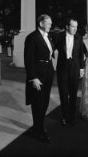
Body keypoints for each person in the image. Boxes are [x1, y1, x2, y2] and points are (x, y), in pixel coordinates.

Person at [24, 14, 54, 143]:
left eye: (50, 24)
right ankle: (39, 131)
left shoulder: (48, 37)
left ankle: (37, 127)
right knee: (38, 103)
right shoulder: (32, 37)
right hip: (38, 76)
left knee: (45, 101)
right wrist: (33, 77)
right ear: (41, 23)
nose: (50, 26)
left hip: (48, 73)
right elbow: (28, 59)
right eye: (48, 23)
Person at [55, 17, 84, 126]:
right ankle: (64, 116)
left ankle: (72, 116)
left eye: (76, 27)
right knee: (63, 93)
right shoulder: (59, 36)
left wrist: (82, 68)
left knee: (73, 94)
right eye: (73, 26)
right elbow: (52, 46)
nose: (75, 29)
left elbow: (81, 53)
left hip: (75, 67)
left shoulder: (79, 37)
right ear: (67, 26)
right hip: (62, 67)